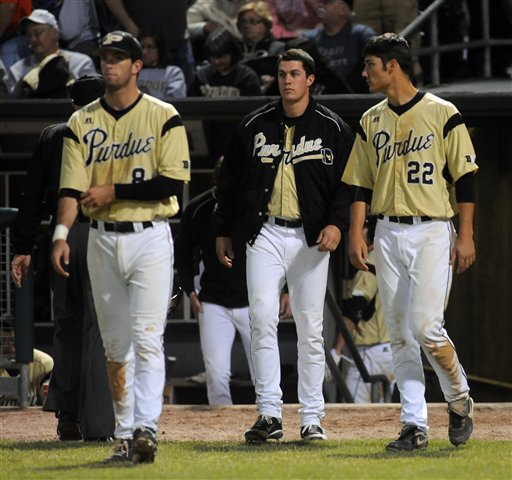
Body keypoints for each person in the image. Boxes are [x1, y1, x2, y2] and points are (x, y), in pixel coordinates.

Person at [50, 31, 190, 463]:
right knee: (114, 346)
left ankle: (145, 427)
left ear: (136, 65)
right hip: (101, 239)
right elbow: (71, 189)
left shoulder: (163, 114)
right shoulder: (81, 121)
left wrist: (116, 190)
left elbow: (173, 183)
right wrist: (59, 234)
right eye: (104, 57)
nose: (109, 64)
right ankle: (125, 432)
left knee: (147, 339)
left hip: (149, 237)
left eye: (118, 57)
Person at [342, 33, 477, 451]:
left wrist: (467, 235)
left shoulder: (442, 112)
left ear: (392, 67)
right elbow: (360, 185)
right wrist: (356, 232)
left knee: (425, 327)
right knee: (399, 334)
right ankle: (413, 423)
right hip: (387, 232)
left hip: (432, 228)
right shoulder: (371, 119)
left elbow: (466, 178)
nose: (364, 73)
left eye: (370, 65)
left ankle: (459, 400)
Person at [214, 48, 353, 443]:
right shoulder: (254, 124)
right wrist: (223, 229)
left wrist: (337, 224)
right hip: (265, 233)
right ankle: (270, 414)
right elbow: (229, 183)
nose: (287, 80)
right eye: (281, 74)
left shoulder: (334, 127)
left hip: (311, 236)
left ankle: (312, 418)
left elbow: (349, 184)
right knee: (261, 318)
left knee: (311, 328)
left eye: (295, 73)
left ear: (310, 79)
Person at [11, 74, 115, 442]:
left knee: (68, 326)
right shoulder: (116, 129)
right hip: (105, 235)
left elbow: (31, 197)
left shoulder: (54, 134)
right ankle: (98, 421)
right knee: (98, 329)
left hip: (64, 237)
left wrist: (23, 246)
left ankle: (68, 416)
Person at [174, 158, 256, 406]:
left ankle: (269, 417)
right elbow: (183, 252)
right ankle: (222, 430)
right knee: (217, 374)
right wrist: (189, 290)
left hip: (253, 300)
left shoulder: (253, 207)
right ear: (216, 181)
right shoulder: (199, 208)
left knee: (263, 371)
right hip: (212, 301)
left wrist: (282, 291)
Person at [324, 216, 395, 403]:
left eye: (362, 227)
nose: (354, 233)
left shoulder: (370, 262)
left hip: (372, 352)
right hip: (390, 349)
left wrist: (336, 351)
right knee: (379, 415)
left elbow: (355, 310)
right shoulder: (388, 257)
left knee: (355, 411)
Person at [188, 27, 261, 164]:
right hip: (208, 141)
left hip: (237, 140)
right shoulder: (201, 76)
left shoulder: (246, 77)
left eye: (221, 57)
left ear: (232, 53)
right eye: (212, 57)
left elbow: (255, 115)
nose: (216, 61)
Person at [6, 9, 97, 97]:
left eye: (37, 33)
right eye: (29, 35)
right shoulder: (17, 70)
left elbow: (91, 97)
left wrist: (68, 72)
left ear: (54, 33)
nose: (33, 39)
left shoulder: (81, 63)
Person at [302, 0, 376, 93]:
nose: (320, 5)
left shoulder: (362, 34)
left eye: (327, 3)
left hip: (359, 97)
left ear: (342, 10)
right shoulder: (308, 39)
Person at [0, 314, 54, 407]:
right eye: (2, 341)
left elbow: (49, 404)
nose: (7, 346)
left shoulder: (43, 363)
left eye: (13, 341)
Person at [237, 1, 285, 92]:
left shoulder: (278, 49)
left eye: (253, 22)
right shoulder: (234, 48)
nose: (247, 26)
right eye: (243, 21)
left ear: (266, 25)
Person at [137, 27, 186, 101]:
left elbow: (176, 102)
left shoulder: (173, 73)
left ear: (160, 50)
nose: (144, 52)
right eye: (142, 47)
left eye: (150, 47)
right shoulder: (131, 72)